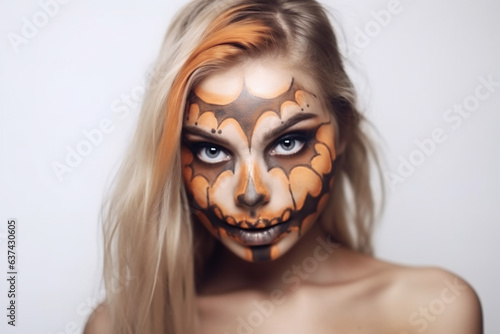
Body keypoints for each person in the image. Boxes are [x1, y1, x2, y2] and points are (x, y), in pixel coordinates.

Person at [84, 0, 483, 333]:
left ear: (343, 131)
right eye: (210, 151)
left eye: (288, 142)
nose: (251, 192)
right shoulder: (122, 325)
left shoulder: (436, 309)